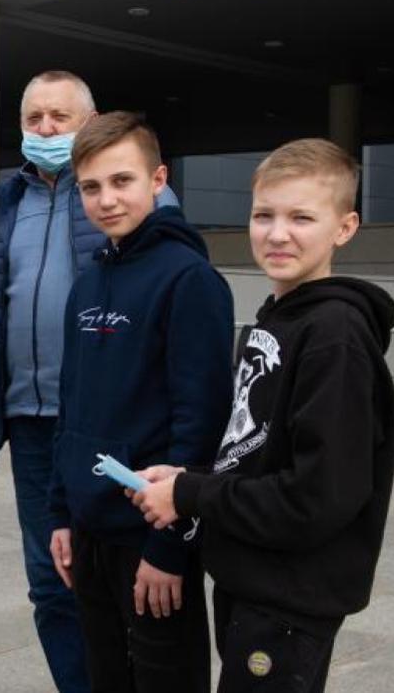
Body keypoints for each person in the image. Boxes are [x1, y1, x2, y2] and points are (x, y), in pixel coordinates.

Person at [131, 138, 394, 693]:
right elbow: (250, 453)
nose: (277, 234)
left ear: (344, 228)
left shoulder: (335, 337)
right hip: (251, 581)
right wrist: (188, 480)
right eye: (264, 215)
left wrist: (189, 496)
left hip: (289, 599)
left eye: (301, 217)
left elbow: (316, 498)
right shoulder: (277, 320)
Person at [0, 70, 177, 692]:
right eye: (34, 119)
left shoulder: (133, 198)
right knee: (51, 579)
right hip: (32, 425)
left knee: (126, 576)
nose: (47, 129)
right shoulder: (8, 202)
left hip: (113, 424)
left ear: (91, 120)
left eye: (60, 116)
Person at [48, 111, 233, 693]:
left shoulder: (190, 279)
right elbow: (70, 406)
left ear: (158, 179)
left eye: (122, 181)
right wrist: (61, 514)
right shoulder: (87, 282)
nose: (106, 199)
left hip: (152, 535)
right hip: (90, 534)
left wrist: (169, 549)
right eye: (91, 187)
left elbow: (200, 428)